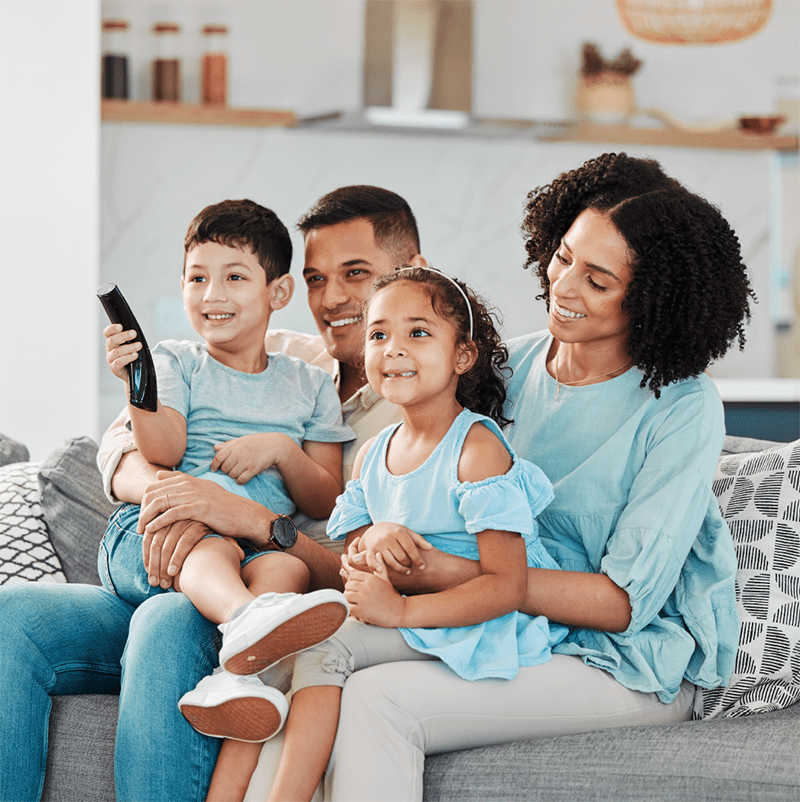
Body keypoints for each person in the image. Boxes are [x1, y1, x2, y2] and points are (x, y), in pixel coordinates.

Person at [307, 152, 755, 802]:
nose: (565, 287)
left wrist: (442, 573)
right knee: (310, 648)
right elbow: (416, 471)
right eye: (565, 257)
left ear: (656, 296)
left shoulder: (683, 406)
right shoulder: (506, 367)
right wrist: (380, 537)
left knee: (380, 702)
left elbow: (622, 606)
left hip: (624, 661)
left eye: (598, 280)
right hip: (505, 625)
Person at [0, 185, 424, 802]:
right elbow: (119, 452)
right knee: (15, 614)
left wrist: (252, 513)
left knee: (171, 614)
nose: (331, 299)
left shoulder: (419, 412)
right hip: (167, 547)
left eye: (355, 274)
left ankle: (248, 639)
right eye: (315, 278)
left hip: (263, 578)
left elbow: (358, 552)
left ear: (411, 270)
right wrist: (177, 496)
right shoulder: (263, 353)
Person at [259, 266, 569, 802]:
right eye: (378, 334)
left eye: (418, 333)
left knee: (323, 645)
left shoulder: (476, 451)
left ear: (462, 356)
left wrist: (400, 612)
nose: (394, 348)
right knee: (281, 667)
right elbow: (354, 545)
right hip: (407, 617)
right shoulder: (374, 454)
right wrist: (373, 537)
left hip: (475, 625)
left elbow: (507, 586)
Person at [100, 198, 354, 742]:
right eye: (197, 278)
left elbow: (324, 500)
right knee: (212, 545)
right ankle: (242, 618)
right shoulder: (177, 362)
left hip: (256, 537)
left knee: (289, 573)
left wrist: (283, 450)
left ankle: (230, 679)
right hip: (172, 521)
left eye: (234, 277)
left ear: (277, 293)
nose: (212, 294)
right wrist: (137, 387)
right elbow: (164, 451)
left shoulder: (311, 385)